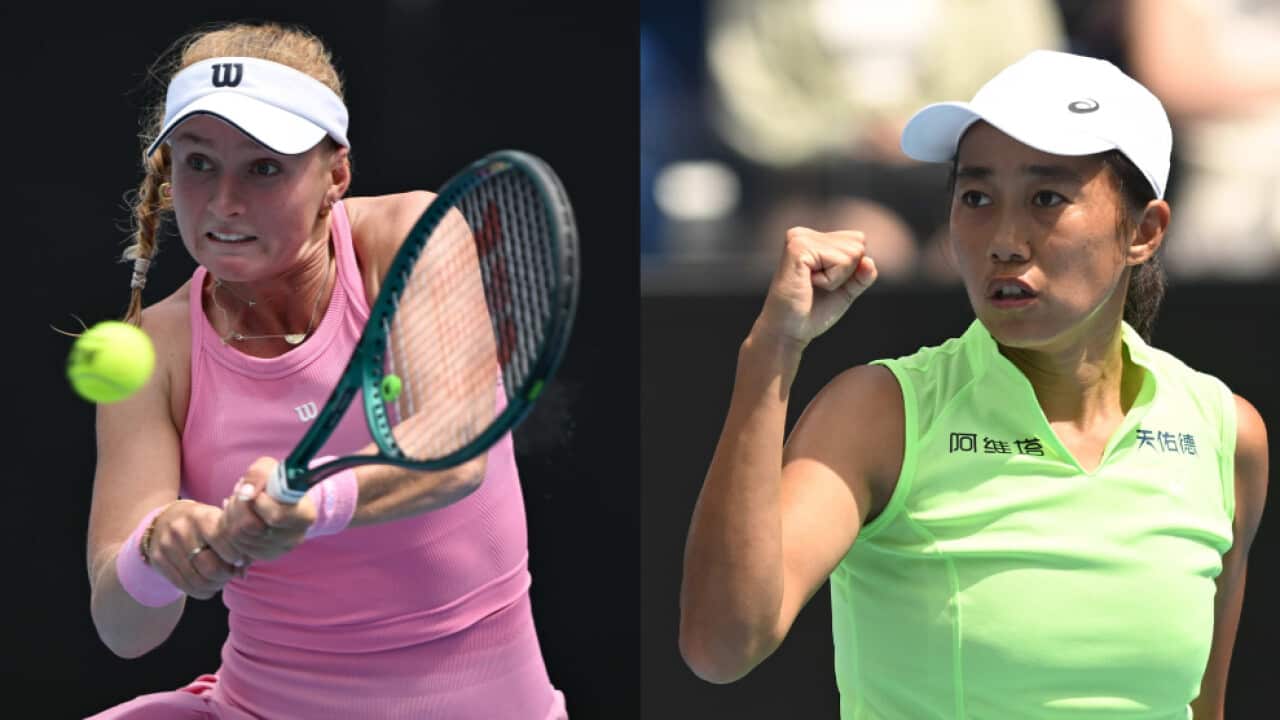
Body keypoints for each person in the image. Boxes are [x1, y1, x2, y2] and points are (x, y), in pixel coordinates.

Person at [679, 49, 1267, 718]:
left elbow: (1203, 708)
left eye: (1047, 198)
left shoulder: (1226, 434)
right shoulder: (880, 415)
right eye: (977, 197)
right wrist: (771, 354)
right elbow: (722, 646)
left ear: (1144, 231)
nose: (1004, 240)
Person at [85, 21, 567, 719]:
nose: (224, 203)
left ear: (334, 175)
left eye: (264, 167)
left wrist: (313, 506)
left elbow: (457, 452)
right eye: (197, 164)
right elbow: (123, 627)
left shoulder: (409, 237)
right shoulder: (150, 350)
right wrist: (159, 552)